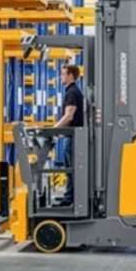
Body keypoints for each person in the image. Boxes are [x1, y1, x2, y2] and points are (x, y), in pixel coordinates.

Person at [53, 64, 84, 206]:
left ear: (71, 75)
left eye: (63, 74)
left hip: (72, 137)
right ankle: (71, 197)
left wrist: (53, 130)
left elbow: (68, 116)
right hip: (74, 136)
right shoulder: (74, 91)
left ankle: (70, 199)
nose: (61, 76)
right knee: (71, 168)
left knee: (71, 169)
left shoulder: (71, 93)